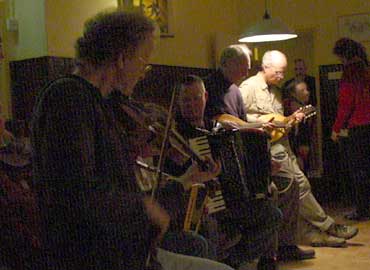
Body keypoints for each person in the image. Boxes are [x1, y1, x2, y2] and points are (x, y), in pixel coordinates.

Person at [31, 10, 233, 270]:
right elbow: (77, 192)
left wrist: (185, 181)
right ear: (122, 58)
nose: (143, 72)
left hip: (128, 253)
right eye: (144, 60)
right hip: (95, 258)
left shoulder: (99, 103)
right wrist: (143, 207)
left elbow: (117, 194)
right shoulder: (68, 97)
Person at [204, 45, 315, 262]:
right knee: (273, 192)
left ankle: (278, 249)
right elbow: (221, 121)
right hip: (220, 166)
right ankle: (250, 258)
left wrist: (264, 159)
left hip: (244, 162)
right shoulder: (210, 86)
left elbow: (247, 135)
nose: (246, 73)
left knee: (288, 183)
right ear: (227, 64)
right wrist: (250, 128)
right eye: (243, 68)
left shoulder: (235, 90)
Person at [239, 50, 359, 248]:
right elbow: (238, 117)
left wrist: (290, 120)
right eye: (278, 72)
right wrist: (263, 122)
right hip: (265, 148)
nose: (281, 76)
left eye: (283, 72)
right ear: (265, 67)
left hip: (282, 144)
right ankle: (326, 226)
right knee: (298, 185)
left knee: (300, 186)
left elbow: (280, 122)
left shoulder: (276, 90)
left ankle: (308, 233)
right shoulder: (249, 87)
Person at [331, 38, 370, 220]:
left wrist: (336, 128)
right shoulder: (366, 68)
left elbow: (346, 103)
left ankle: (363, 210)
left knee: (359, 171)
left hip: (359, 127)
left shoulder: (351, 72)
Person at [283, 80, 313, 172]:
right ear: (293, 94)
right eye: (302, 90)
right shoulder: (287, 108)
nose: (307, 92)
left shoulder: (305, 107)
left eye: (307, 89)